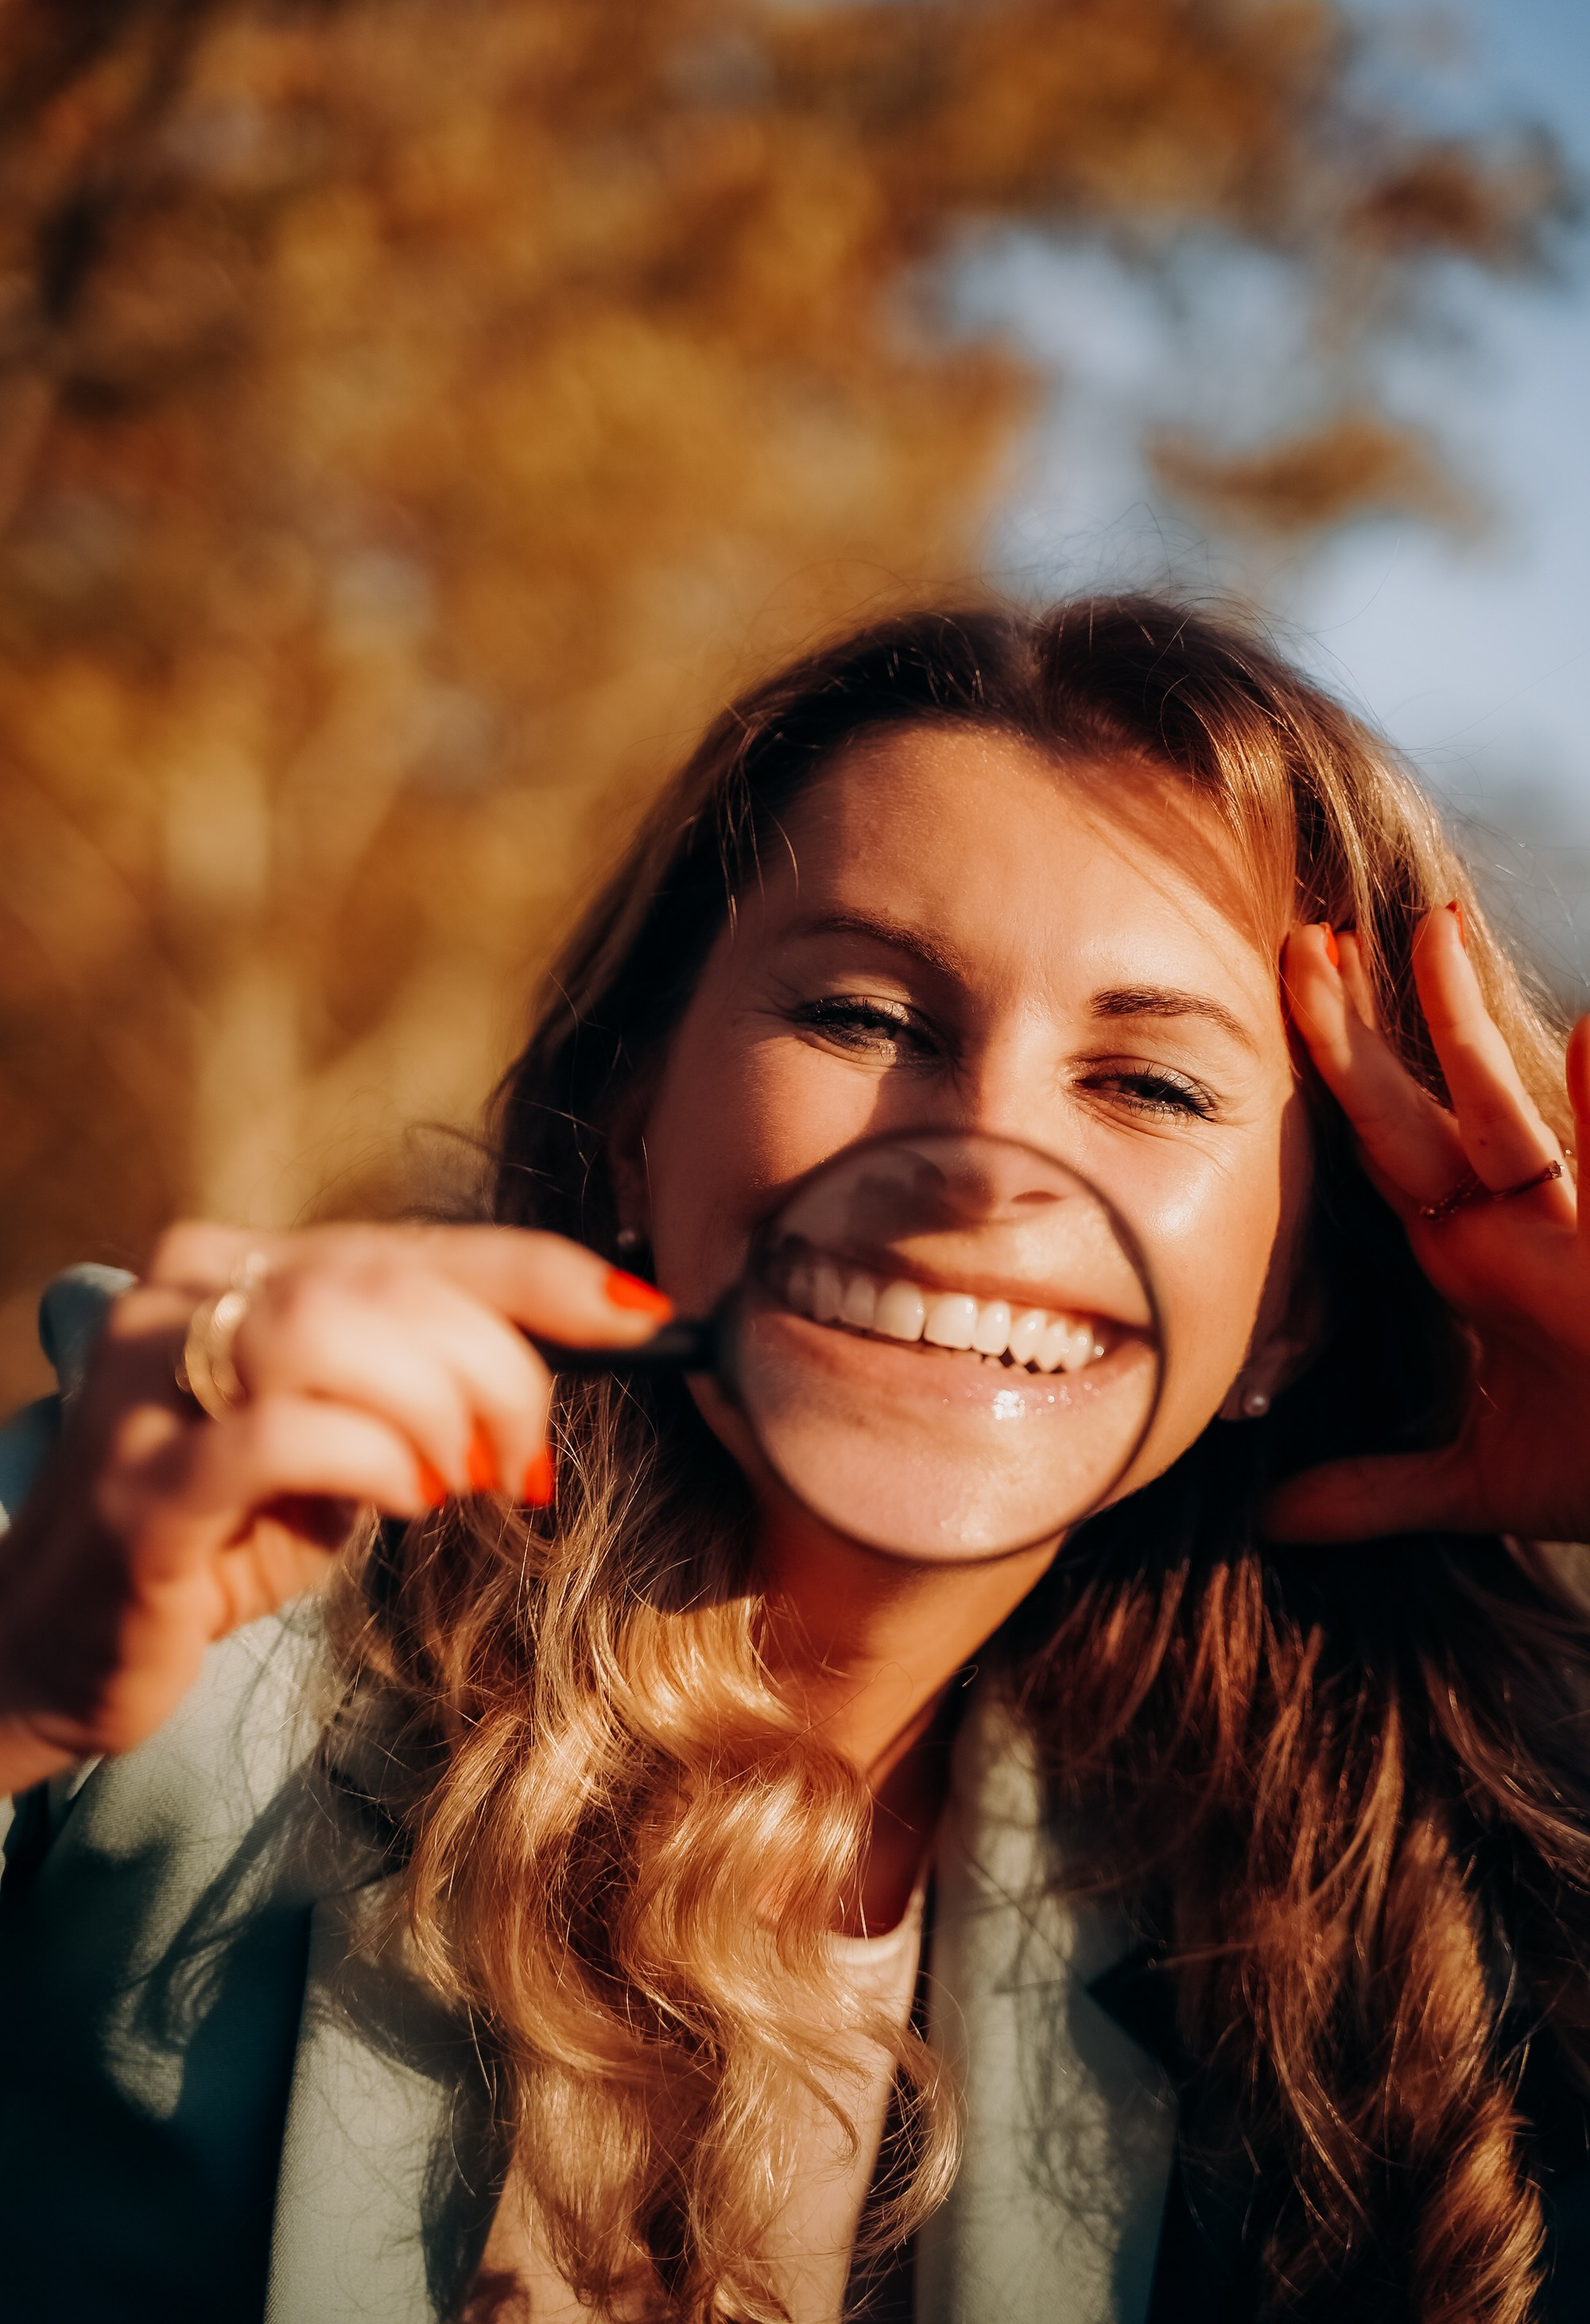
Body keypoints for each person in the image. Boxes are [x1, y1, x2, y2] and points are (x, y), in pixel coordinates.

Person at [2, 596, 1589, 2324]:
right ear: (632, 1119)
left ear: (1291, 1314)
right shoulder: (178, 1548)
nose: (982, 1163)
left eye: (1145, 1083)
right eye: (864, 1016)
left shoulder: (1381, 1906)